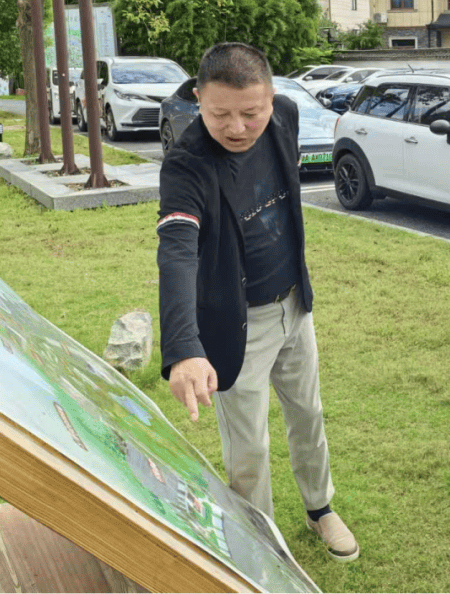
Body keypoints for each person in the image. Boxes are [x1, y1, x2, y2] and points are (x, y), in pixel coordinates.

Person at [156, 42, 358, 562]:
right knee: (249, 447)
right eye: (219, 113)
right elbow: (177, 251)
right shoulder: (186, 166)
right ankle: (264, 544)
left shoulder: (285, 116)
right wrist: (183, 347)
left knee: (307, 413)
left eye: (251, 112)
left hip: (294, 300)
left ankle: (321, 509)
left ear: (273, 98)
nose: (238, 127)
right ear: (198, 98)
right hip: (236, 322)